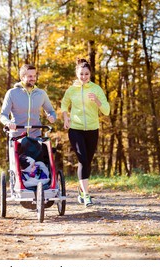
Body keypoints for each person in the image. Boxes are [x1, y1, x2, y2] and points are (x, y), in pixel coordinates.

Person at [61, 58, 110, 207]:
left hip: (92, 130)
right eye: (81, 74)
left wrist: (97, 101)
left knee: (87, 162)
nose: (84, 77)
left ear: (90, 74)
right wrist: (65, 117)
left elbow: (106, 111)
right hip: (75, 129)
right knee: (82, 160)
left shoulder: (96, 89)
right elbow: (64, 104)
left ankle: (81, 191)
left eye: (86, 74)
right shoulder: (71, 90)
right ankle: (87, 195)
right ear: (77, 74)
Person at [0, 64, 56, 138]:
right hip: (17, 137)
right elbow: (3, 115)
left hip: (36, 137)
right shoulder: (12, 93)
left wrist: (52, 117)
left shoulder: (41, 93)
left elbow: (51, 111)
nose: (33, 78)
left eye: (34, 76)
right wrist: (8, 123)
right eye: (30, 76)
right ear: (22, 77)